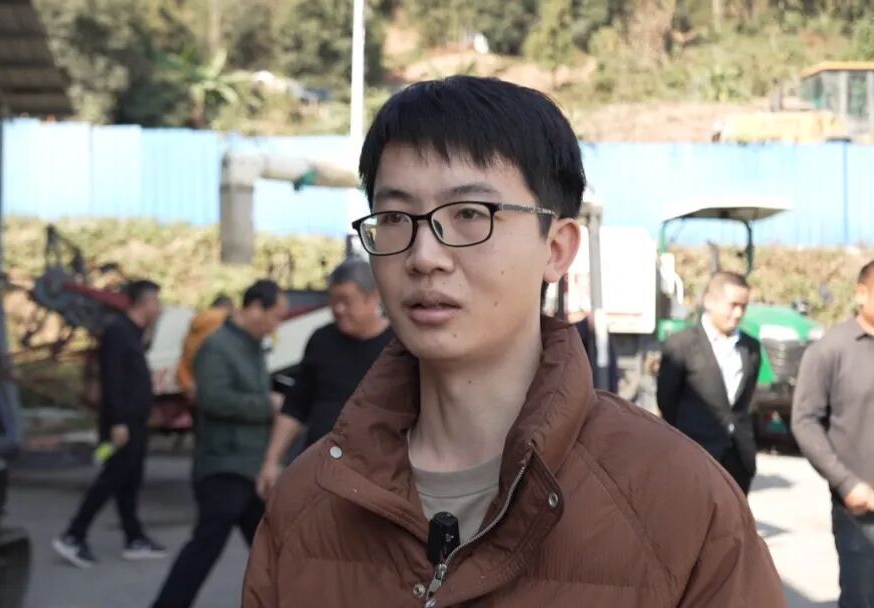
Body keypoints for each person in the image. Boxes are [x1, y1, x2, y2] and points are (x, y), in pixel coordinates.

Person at [243, 76, 785, 607]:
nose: (424, 256)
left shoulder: (682, 505)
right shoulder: (308, 500)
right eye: (394, 217)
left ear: (557, 248)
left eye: (469, 214)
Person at [152, 279, 287, 608]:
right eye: (275, 316)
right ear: (255, 308)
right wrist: (266, 404)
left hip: (249, 465)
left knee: (273, 551)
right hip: (224, 465)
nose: (276, 326)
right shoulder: (217, 346)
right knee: (207, 547)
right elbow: (213, 399)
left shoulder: (251, 345)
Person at [256, 259, 393, 500]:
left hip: (376, 479)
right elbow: (296, 407)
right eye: (334, 300)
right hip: (319, 473)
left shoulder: (397, 346)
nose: (338, 309)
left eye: (346, 301)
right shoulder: (321, 340)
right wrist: (271, 461)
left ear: (374, 298)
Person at [54, 280, 166, 568]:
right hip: (122, 423)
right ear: (144, 303)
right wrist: (118, 421)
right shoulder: (118, 332)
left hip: (136, 421)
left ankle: (134, 537)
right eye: (156, 302)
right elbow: (113, 379)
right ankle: (74, 535)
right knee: (112, 478)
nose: (160, 308)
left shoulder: (134, 333)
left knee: (130, 480)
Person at [792, 259, 874, 608]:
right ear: (861, 294)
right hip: (861, 512)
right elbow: (805, 421)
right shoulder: (830, 350)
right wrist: (846, 483)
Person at [657, 272, 762, 495]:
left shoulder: (751, 348)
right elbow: (667, 401)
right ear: (709, 301)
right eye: (733, 305)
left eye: (743, 306)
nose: (738, 314)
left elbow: (745, 402)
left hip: (738, 461)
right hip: (694, 457)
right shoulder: (681, 345)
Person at [176, 294, 233, 403]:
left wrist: (188, 385)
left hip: (195, 389)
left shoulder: (194, 326)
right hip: (218, 392)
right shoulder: (226, 323)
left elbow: (183, 363)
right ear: (229, 308)